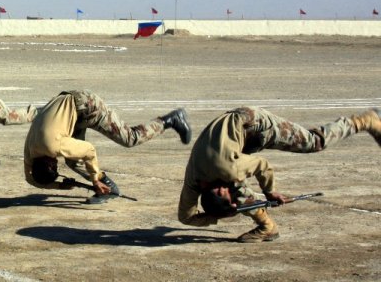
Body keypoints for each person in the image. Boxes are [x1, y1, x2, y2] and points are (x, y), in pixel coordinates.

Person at [177, 106, 381, 243]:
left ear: (219, 188)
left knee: (313, 142)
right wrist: (218, 215)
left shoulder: (229, 168)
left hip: (255, 124)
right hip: (233, 140)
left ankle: (365, 121)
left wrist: (270, 192)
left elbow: (263, 166)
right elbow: (185, 217)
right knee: (237, 188)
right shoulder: (194, 180)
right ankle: (268, 227)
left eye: (228, 196)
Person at [24, 89, 192, 199]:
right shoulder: (31, 151)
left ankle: (169, 120)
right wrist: (60, 186)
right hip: (69, 108)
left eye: (55, 164)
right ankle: (108, 186)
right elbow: (30, 179)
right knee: (73, 161)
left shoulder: (54, 146)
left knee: (129, 138)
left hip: (87, 106)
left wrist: (94, 180)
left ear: (50, 162)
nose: (57, 162)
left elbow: (89, 150)